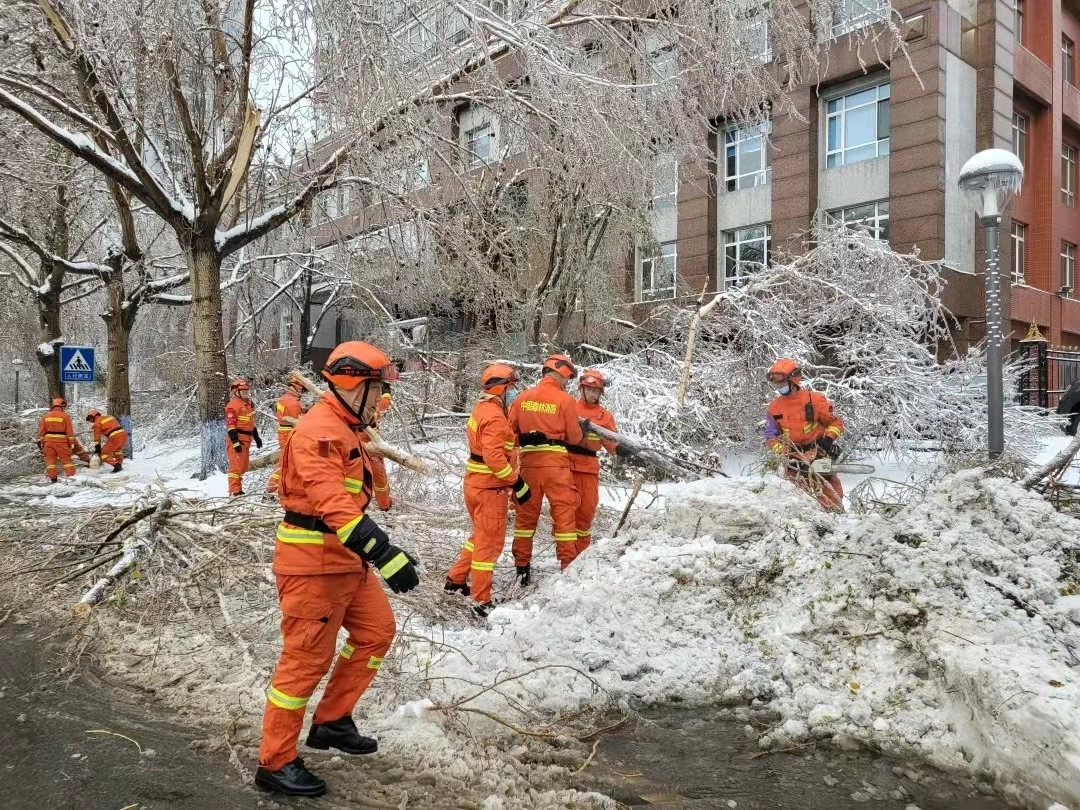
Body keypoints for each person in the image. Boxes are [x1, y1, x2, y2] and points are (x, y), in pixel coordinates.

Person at [256, 342, 420, 798]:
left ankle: (331, 721)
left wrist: (379, 551)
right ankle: (275, 761)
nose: (381, 398)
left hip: (346, 560)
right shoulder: (319, 432)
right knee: (305, 662)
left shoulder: (348, 428)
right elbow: (334, 506)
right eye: (377, 389)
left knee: (376, 632)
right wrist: (385, 552)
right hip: (313, 566)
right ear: (351, 385)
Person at [444, 364, 529, 617]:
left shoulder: (483, 409)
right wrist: (516, 482)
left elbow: (490, 447)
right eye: (511, 388)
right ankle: (481, 600)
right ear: (501, 388)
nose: (513, 392)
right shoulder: (494, 416)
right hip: (490, 489)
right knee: (489, 545)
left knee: (479, 537)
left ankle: (455, 580)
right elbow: (494, 458)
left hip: (475, 484)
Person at [509, 354, 584, 584]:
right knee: (564, 517)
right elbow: (574, 436)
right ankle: (567, 566)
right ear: (561, 373)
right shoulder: (565, 401)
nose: (567, 383)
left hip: (529, 466)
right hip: (556, 467)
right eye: (567, 378)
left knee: (525, 519)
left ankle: (522, 567)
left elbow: (509, 433)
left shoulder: (522, 398)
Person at [764, 359, 845, 512]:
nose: (779, 386)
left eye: (781, 383)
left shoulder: (815, 400)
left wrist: (828, 440)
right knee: (796, 499)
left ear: (793, 379)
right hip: (793, 457)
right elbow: (770, 436)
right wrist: (784, 453)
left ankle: (835, 516)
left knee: (829, 492)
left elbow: (836, 423)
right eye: (777, 384)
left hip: (819, 452)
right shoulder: (774, 407)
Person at [569, 369, 618, 557]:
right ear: (581, 389)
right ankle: (565, 553)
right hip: (565, 465)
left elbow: (612, 442)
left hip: (588, 467)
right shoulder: (569, 407)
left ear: (600, 393)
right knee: (565, 510)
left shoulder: (604, 416)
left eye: (596, 391)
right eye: (589, 389)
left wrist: (623, 451)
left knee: (586, 511)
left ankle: (581, 554)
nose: (592, 393)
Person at [268, 378, 306, 495]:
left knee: (286, 461)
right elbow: (297, 421)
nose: (302, 393)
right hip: (290, 433)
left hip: (284, 432)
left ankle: (278, 488)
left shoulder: (284, 398)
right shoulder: (293, 402)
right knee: (285, 462)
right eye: (301, 389)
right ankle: (271, 489)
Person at [225, 378, 261, 497]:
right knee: (236, 467)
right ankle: (235, 491)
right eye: (242, 390)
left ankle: (238, 489)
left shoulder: (248, 404)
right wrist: (235, 442)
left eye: (246, 390)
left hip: (247, 439)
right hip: (238, 439)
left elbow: (250, 423)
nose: (245, 392)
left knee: (242, 467)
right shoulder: (233, 405)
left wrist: (256, 436)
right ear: (236, 391)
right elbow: (231, 425)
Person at [38, 397, 86, 482]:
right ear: (62, 406)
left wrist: (42, 443)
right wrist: (71, 443)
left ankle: (53, 479)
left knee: (50, 463)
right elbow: (69, 431)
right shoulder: (65, 416)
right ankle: (72, 478)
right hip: (61, 442)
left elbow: (41, 432)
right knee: (67, 461)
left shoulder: (45, 416)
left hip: (48, 442)